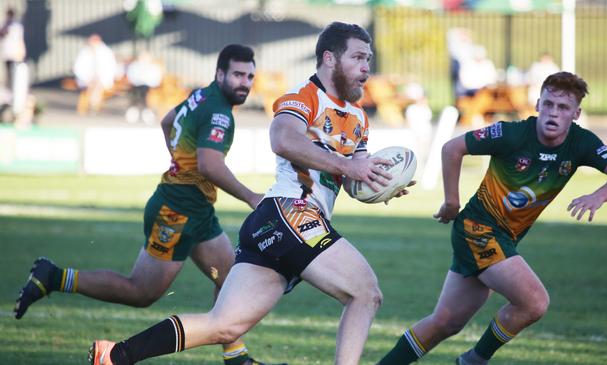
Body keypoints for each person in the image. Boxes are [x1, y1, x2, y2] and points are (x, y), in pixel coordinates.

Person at [85, 21, 411, 365]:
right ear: (329, 59)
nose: (366, 68)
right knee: (365, 293)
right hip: (292, 213)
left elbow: (352, 174)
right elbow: (282, 139)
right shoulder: (304, 97)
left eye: (369, 60)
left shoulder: (359, 117)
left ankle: (115, 355)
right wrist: (347, 166)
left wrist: (381, 181)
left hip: (275, 224)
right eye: (358, 58)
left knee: (223, 326)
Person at [15, 44, 282, 365]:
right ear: (220, 73)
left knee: (228, 276)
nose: (245, 82)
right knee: (141, 291)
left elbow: (168, 121)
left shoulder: (202, 96)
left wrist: (181, 161)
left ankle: (236, 357)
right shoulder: (219, 112)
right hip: (177, 211)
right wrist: (252, 197)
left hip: (196, 210)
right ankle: (55, 276)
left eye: (250, 76)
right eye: (238, 74)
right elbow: (211, 166)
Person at [376, 72, 607, 365]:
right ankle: (474, 360)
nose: (553, 112)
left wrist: (598, 196)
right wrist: (451, 201)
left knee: (445, 323)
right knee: (534, 302)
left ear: (576, 113)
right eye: (548, 104)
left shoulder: (581, 142)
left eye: (563, 108)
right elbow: (453, 148)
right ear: (537, 104)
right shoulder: (512, 134)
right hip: (478, 230)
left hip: (502, 238)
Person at [73, 34, 117, 115]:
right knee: (91, 86)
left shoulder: (106, 52)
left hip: (101, 79)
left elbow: (110, 68)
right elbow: (78, 68)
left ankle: (93, 105)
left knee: (97, 86)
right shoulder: (84, 52)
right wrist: (86, 79)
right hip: (86, 79)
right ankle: (93, 105)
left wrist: (101, 78)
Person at [0, 7, 25, 90]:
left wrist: (22, 51)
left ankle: (16, 87)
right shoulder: (3, 25)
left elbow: (20, 40)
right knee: (8, 72)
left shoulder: (17, 26)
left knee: (16, 71)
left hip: (15, 53)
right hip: (6, 52)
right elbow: (2, 35)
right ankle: (8, 87)